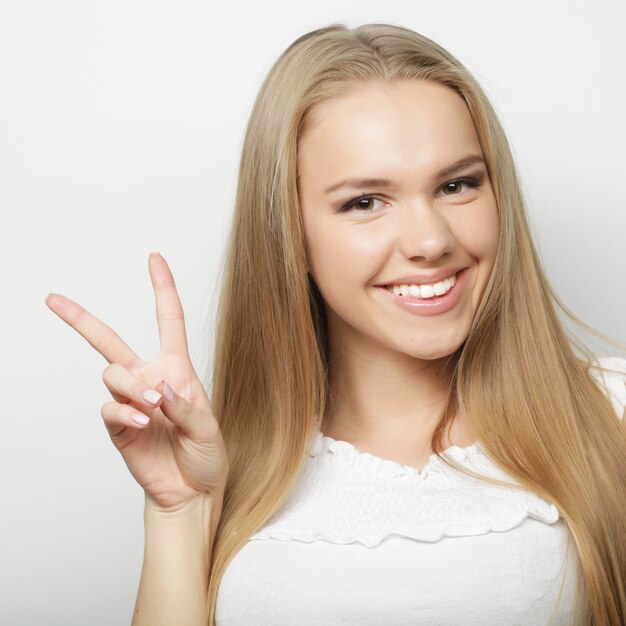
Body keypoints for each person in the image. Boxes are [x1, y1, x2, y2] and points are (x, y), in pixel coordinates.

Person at [44, 22, 626, 626]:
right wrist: (178, 512)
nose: (431, 240)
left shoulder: (610, 416)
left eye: (457, 185)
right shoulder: (221, 468)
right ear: (289, 232)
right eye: (365, 202)